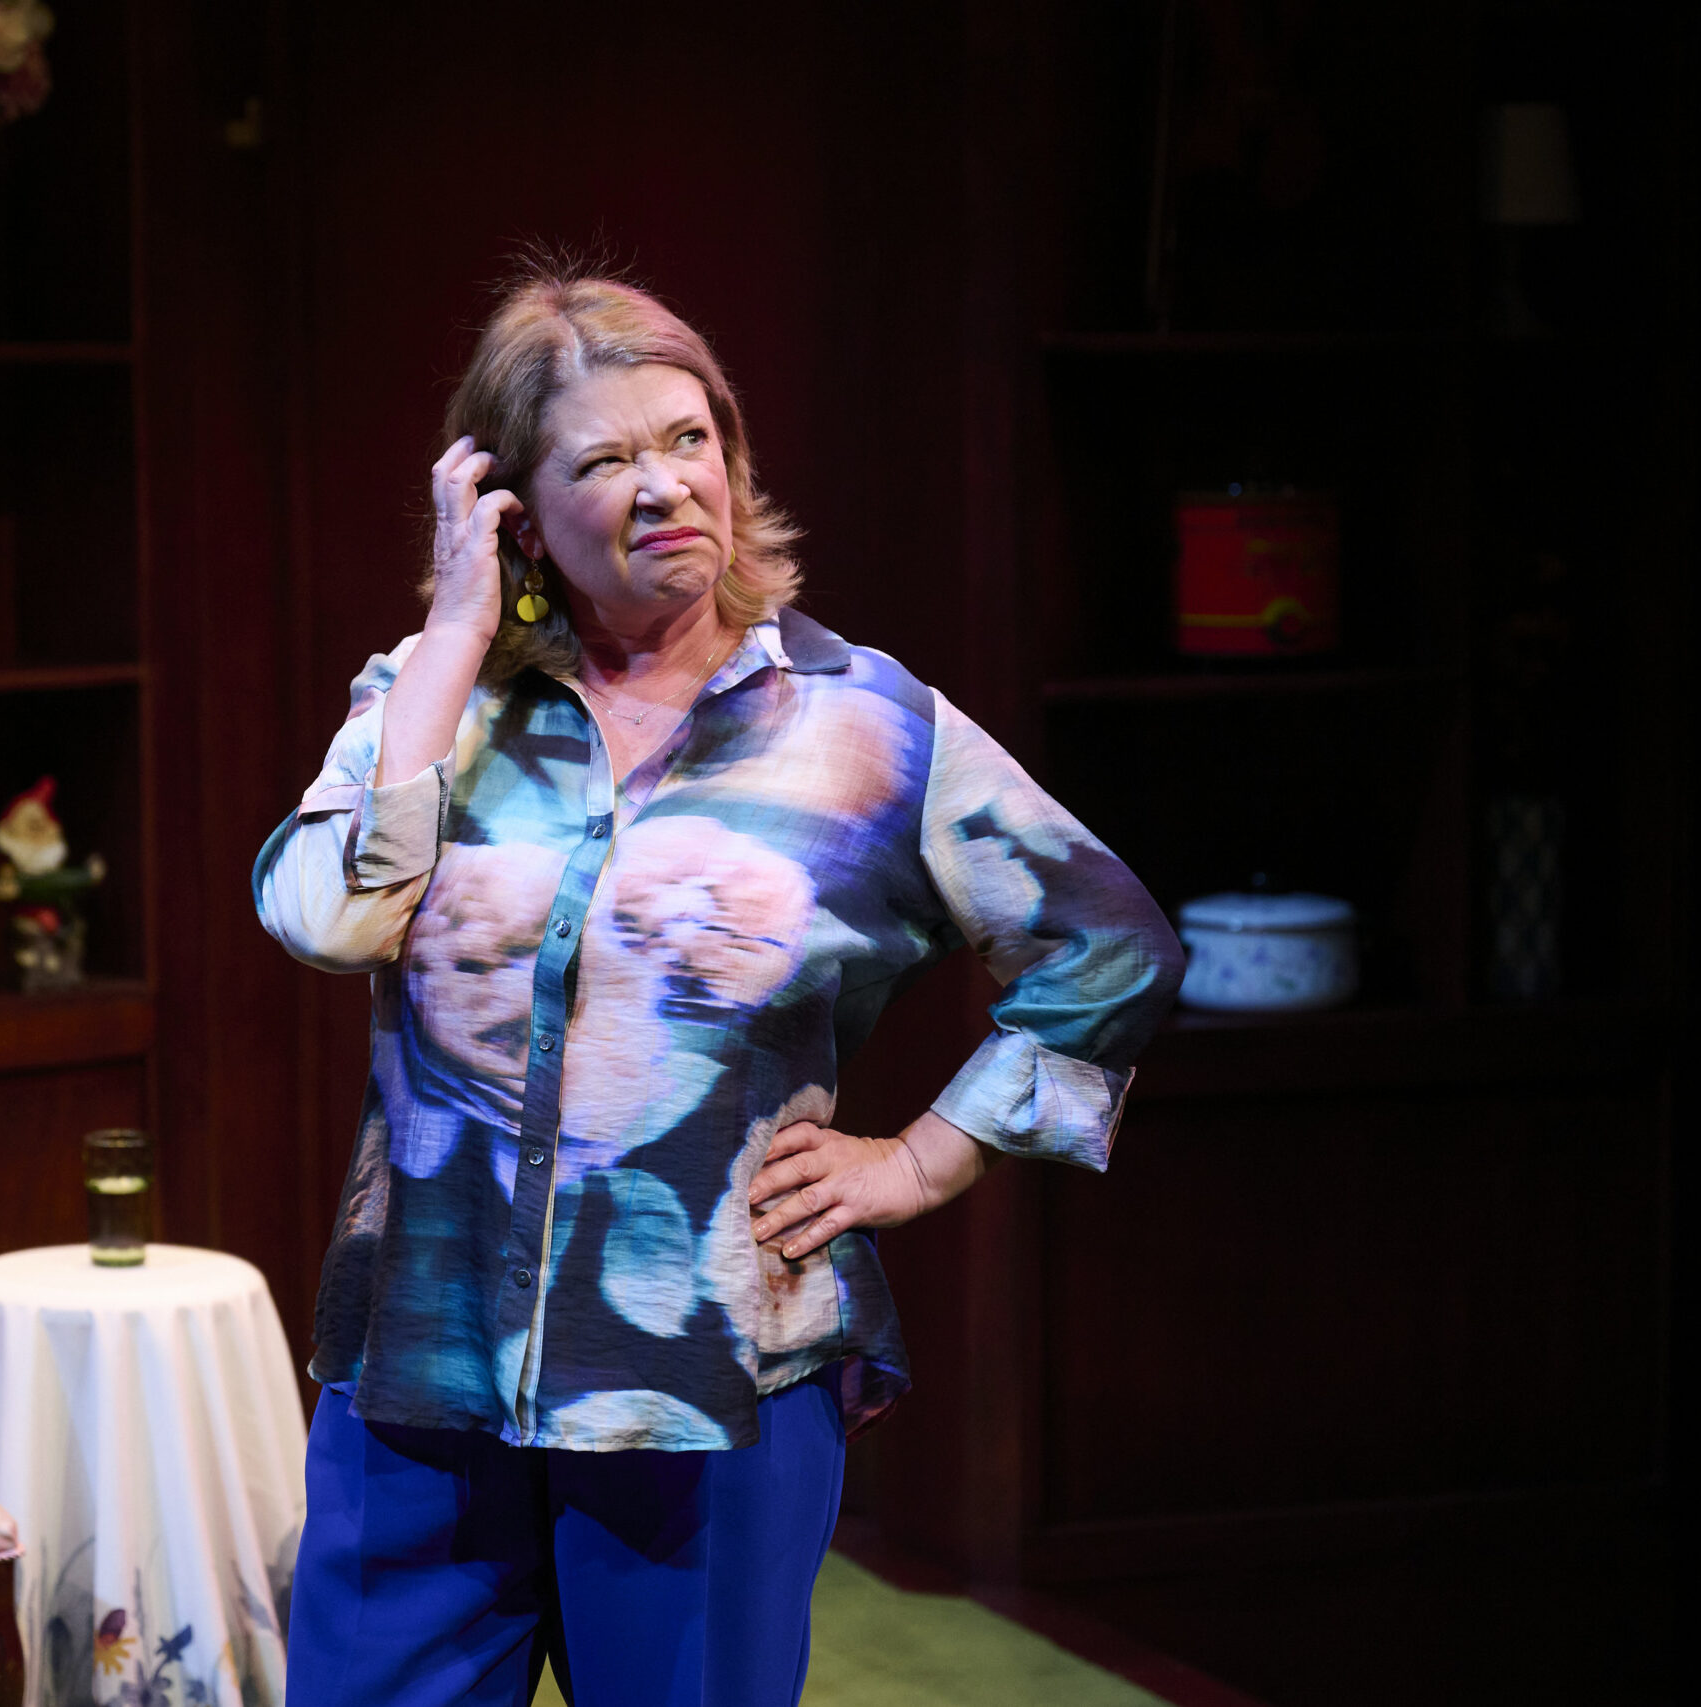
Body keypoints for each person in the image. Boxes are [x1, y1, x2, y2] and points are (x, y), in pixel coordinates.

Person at [254, 265, 1183, 1707]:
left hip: (707, 1381)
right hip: (421, 1375)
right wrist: (452, 635)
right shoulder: (433, 704)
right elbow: (322, 920)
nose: (666, 485)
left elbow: (1106, 941)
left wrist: (921, 1163)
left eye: (691, 441)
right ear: (512, 510)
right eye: (606, 459)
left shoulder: (862, 727)